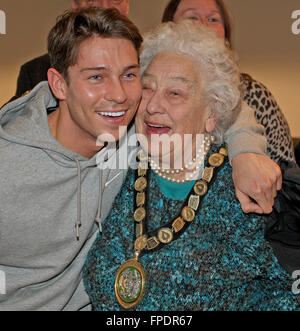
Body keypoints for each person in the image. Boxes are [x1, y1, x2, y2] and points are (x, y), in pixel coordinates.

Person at [0, 7, 284, 311]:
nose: (119, 95)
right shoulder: (12, 166)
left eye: (129, 76)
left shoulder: (133, 143)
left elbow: (227, 107)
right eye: (96, 77)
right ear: (59, 84)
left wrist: (248, 152)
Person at [83, 21, 299, 311]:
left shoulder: (243, 192)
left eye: (175, 94)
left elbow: (279, 297)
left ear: (211, 114)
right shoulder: (113, 169)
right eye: (147, 89)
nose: (153, 105)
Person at [162, 0, 295, 165]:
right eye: (192, 18)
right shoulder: (150, 92)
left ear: (226, 35)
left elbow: (286, 172)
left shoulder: (254, 94)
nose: (203, 25)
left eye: (213, 19)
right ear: (168, 29)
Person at [12, 0, 130, 101]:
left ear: (127, 4)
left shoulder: (146, 64)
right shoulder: (35, 72)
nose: (105, 7)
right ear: (75, 4)